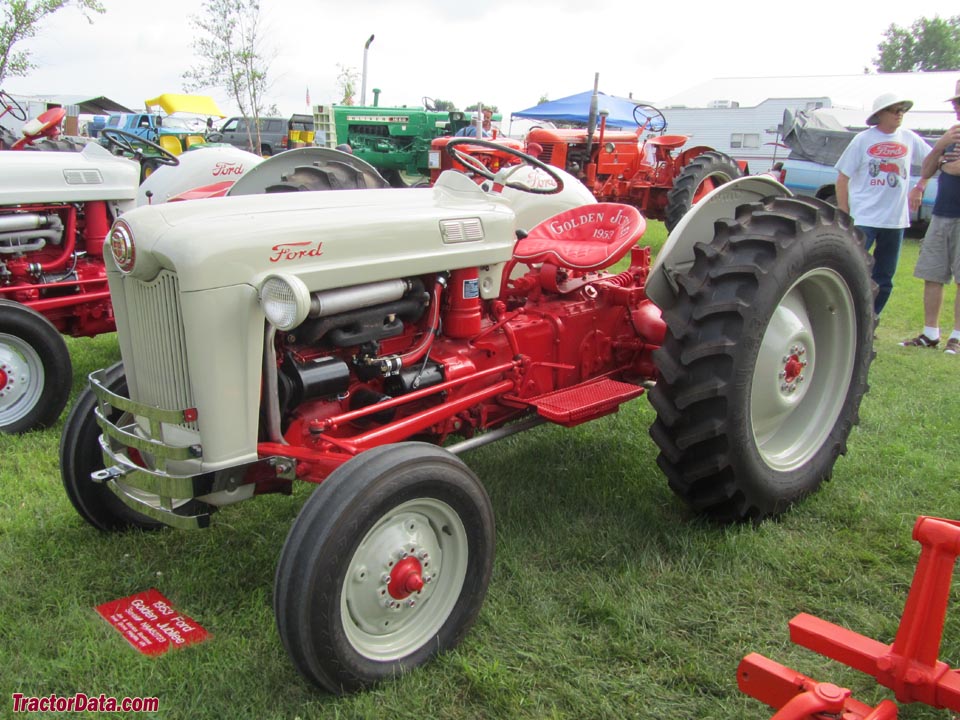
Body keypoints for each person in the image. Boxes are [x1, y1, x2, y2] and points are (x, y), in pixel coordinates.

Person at [835, 92, 931, 315]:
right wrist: (844, 212)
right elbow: (843, 178)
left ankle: (872, 319)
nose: (900, 115)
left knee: (885, 277)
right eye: (894, 110)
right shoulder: (863, 140)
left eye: (902, 110)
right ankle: (845, 317)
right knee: (852, 269)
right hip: (865, 218)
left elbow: (932, 161)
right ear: (880, 114)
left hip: (895, 221)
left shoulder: (909, 138)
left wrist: (920, 186)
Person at [899, 80, 960, 353]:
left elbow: (954, 170)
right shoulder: (952, 136)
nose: (957, 108)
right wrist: (939, 148)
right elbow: (926, 170)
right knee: (932, 274)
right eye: (956, 103)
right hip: (942, 214)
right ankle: (930, 334)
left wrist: (946, 165)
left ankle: (957, 338)